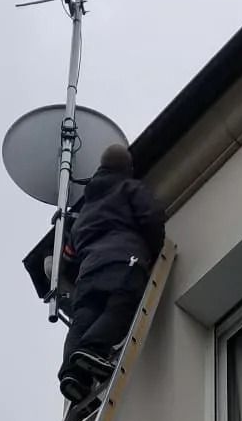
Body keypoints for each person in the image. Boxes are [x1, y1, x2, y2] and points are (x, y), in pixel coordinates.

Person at [57, 144, 165, 402]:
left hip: (88, 273)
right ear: (127, 168)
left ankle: (72, 374)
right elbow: (150, 218)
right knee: (122, 304)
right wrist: (153, 251)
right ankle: (92, 350)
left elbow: (69, 255)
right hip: (122, 259)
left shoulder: (84, 212)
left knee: (83, 318)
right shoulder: (129, 188)